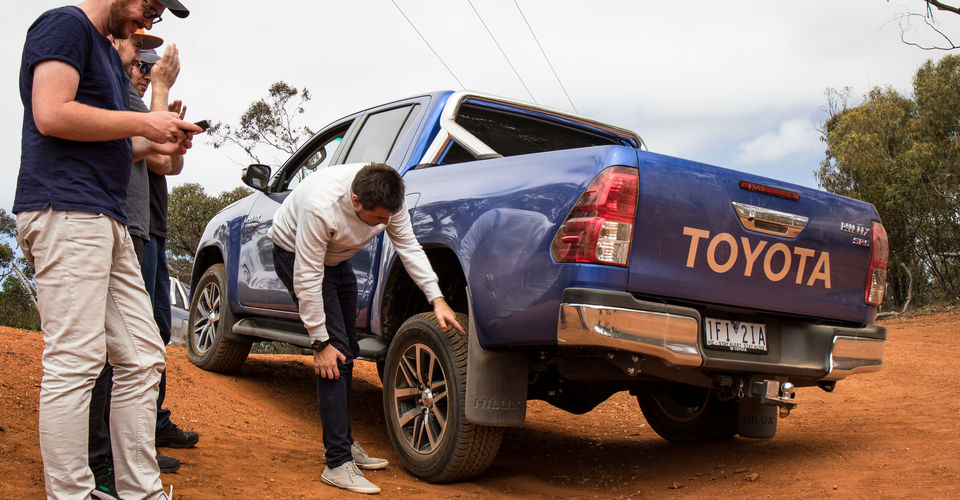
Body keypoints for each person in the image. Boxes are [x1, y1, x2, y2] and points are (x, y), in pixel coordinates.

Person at [14, 1, 198, 498]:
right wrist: (142, 125)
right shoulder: (64, 25)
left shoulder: (106, 55)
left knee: (141, 355)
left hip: (108, 216)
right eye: (149, 6)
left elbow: (120, 144)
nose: (150, 21)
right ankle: (69, 492)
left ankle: (139, 490)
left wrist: (163, 140)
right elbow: (51, 113)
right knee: (75, 359)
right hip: (66, 208)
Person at [268, 162, 465, 495]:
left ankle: (341, 442)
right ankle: (337, 462)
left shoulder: (388, 197)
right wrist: (318, 344)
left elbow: (408, 247)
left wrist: (437, 298)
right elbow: (307, 278)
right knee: (334, 359)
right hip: (296, 255)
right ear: (356, 201)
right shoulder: (322, 207)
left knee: (349, 350)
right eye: (378, 219)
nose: (385, 225)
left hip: (337, 258)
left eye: (389, 217)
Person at [136, 44, 203, 457]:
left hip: (154, 227)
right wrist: (161, 123)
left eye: (150, 68)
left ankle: (153, 422)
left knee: (158, 329)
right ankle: (137, 434)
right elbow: (158, 162)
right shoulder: (128, 114)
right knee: (140, 332)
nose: (146, 71)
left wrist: (173, 136)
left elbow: (170, 167)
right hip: (137, 229)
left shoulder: (145, 116)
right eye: (140, 65)